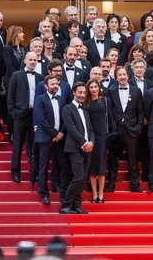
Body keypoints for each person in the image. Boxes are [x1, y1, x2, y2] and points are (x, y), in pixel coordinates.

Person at [7, 52, 43, 183]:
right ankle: (15, 172)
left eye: (35, 60)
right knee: (17, 145)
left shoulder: (40, 77)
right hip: (20, 115)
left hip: (35, 115)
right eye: (30, 59)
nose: (33, 62)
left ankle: (35, 172)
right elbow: (10, 94)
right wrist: (13, 112)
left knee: (35, 145)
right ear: (25, 61)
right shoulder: (16, 75)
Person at [107, 67, 144, 192]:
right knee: (113, 159)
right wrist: (112, 128)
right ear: (116, 78)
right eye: (119, 75)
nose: (122, 77)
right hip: (116, 130)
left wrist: (138, 126)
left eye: (124, 74)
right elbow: (109, 112)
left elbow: (140, 111)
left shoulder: (136, 91)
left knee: (132, 160)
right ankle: (110, 185)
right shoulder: (110, 91)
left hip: (131, 130)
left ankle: (135, 185)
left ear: (128, 76)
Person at [60, 81, 94, 215]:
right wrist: (84, 142)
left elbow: (90, 130)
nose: (82, 95)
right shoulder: (67, 109)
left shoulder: (85, 112)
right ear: (74, 92)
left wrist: (91, 142)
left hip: (87, 148)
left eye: (84, 93)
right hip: (75, 148)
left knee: (83, 177)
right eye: (79, 92)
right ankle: (64, 205)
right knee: (78, 177)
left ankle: (76, 205)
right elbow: (72, 129)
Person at [33, 75, 66, 205]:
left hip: (59, 139)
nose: (55, 86)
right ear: (46, 86)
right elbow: (41, 120)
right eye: (52, 84)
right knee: (43, 167)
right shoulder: (40, 99)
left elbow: (64, 118)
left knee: (62, 164)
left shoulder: (62, 99)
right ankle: (44, 194)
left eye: (57, 84)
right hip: (45, 138)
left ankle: (61, 191)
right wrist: (55, 133)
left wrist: (61, 133)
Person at [85, 79, 114, 200]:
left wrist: (114, 132)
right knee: (92, 165)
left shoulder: (106, 101)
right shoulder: (85, 103)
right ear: (88, 89)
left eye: (95, 87)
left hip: (102, 136)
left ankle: (101, 193)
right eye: (91, 87)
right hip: (90, 136)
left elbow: (110, 118)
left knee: (101, 165)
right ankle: (94, 193)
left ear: (99, 88)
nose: (94, 89)